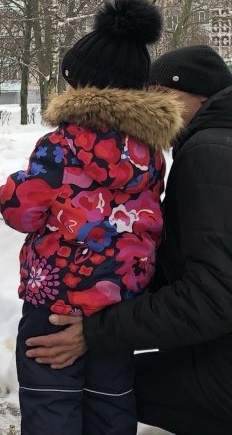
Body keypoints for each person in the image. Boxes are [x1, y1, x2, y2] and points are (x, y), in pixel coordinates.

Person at [24, 44, 232, 434]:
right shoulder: (167, 153)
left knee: (99, 388)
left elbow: (215, 295)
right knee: (113, 395)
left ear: (200, 98)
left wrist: (96, 331)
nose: (151, 102)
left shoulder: (210, 153)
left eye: (163, 94)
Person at [0, 0, 182, 434]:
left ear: (84, 87)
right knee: (110, 403)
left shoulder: (60, 147)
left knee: (50, 404)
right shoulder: (151, 153)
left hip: (54, 300)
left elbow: (21, 212)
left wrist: (13, 185)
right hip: (118, 312)